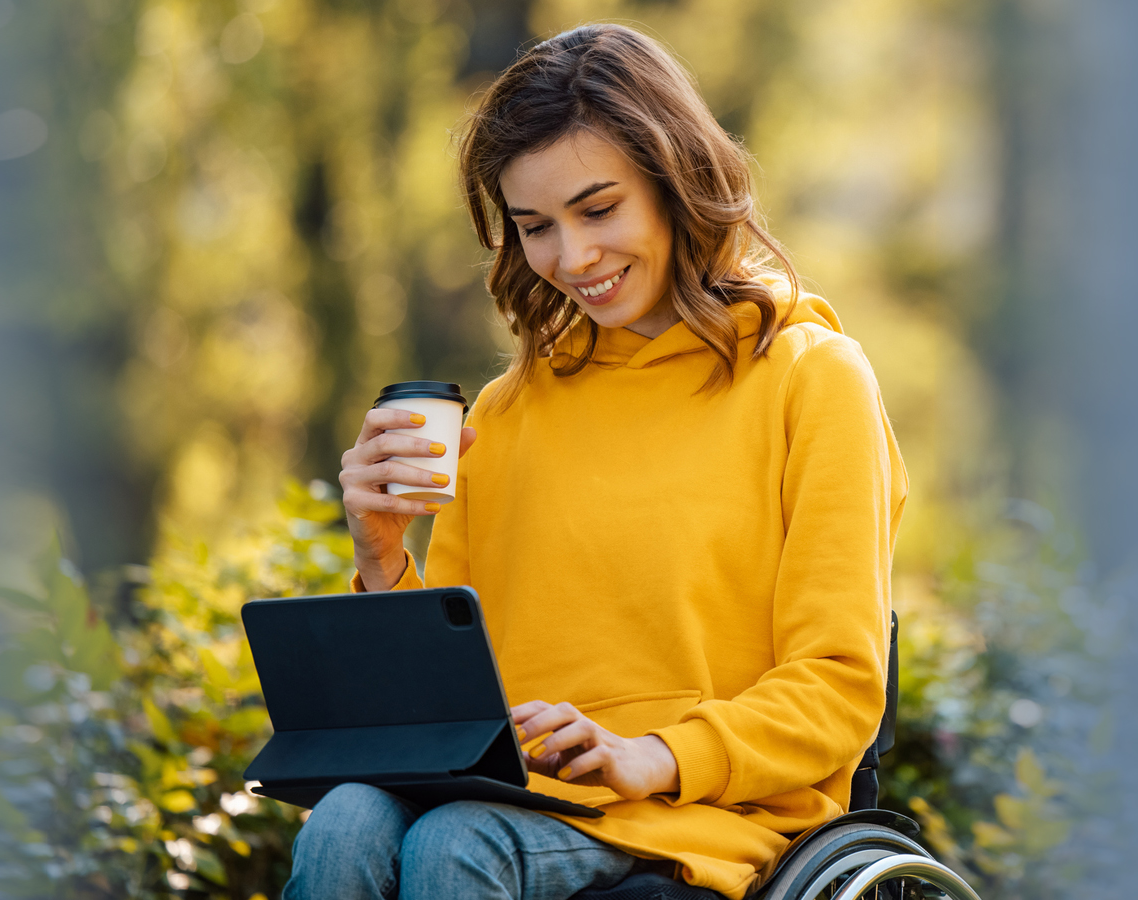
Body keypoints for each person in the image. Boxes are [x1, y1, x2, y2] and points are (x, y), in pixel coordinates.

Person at [284, 22, 907, 900]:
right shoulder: (501, 417)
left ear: (676, 181)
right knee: (346, 820)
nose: (572, 259)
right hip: (518, 796)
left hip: (709, 811)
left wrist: (652, 756)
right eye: (536, 226)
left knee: (457, 847)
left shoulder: (810, 380)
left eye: (599, 208)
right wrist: (382, 557)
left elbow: (839, 690)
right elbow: (450, 711)